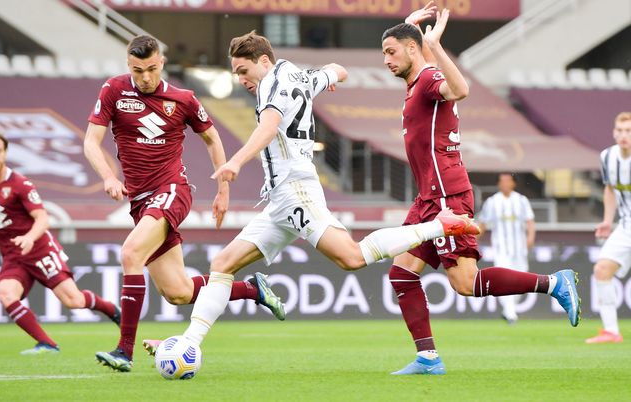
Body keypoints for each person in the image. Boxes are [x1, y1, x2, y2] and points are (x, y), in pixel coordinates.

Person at [142, 30, 481, 358]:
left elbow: (268, 127)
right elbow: (338, 70)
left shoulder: (271, 84)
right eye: (236, 73)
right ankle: (189, 344)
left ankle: (441, 226)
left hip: (296, 190)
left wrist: (236, 162)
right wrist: (332, 75)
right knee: (223, 264)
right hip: (279, 199)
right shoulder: (298, 76)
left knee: (351, 258)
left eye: (244, 71)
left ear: (263, 61)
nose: (241, 79)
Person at [380, 4, 581, 375]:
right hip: (428, 197)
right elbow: (419, 56)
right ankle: (428, 358)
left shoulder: (426, 80)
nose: (386, 61)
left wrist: (433, 44)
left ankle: (554, 283)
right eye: (384, 54)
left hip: (445, 197)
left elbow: (460, 89)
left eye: (391, 52)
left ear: (411, 50)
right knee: (402, 273)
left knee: (465, 283)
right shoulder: (417, 80)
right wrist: (410, 28)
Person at [83, 34, 285, 372]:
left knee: (131, 253)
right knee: (177, 291)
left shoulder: (183, 99)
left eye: (150, 69)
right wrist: (107, 176)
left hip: (172, 190)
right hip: (140, 201)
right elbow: (91, 141)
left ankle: (124, 350)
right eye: (137, 70)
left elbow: (212, 137)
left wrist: (224, 190)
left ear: (161, 62)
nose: (144, 78)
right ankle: (252, 290)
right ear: (128, 66)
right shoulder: (114, 91)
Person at [0, 132, 121, 355]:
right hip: (14, 257)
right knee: (6, 294)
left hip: (40, 249)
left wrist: (29, 237)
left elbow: (42, 219)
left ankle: (111, 309)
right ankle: (47, 344)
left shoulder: (20, 184)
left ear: (5, 153)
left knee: (73, 300)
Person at [585, 111, 631, 344]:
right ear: (614, 132)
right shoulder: (607, 157)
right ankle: (611, 331)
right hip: (626, 226)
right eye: (620, 130)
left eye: (629, 131)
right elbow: (610, 189)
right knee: (602, 270)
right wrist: (607, 220)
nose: (624, 135)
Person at [478, 173, 536, 324]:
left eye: (508, 181)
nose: (505, 184)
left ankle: (508, 310)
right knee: (504, 279)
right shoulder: (492, 202)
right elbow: (483, 224)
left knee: (521, 280)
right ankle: (511, 314)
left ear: (513, 183)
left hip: (519, 248)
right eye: (502, 181)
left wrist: (530, 237)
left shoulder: (521, 200)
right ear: (498, 184)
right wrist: (472, 242)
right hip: (501, 249)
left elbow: (530, 221)